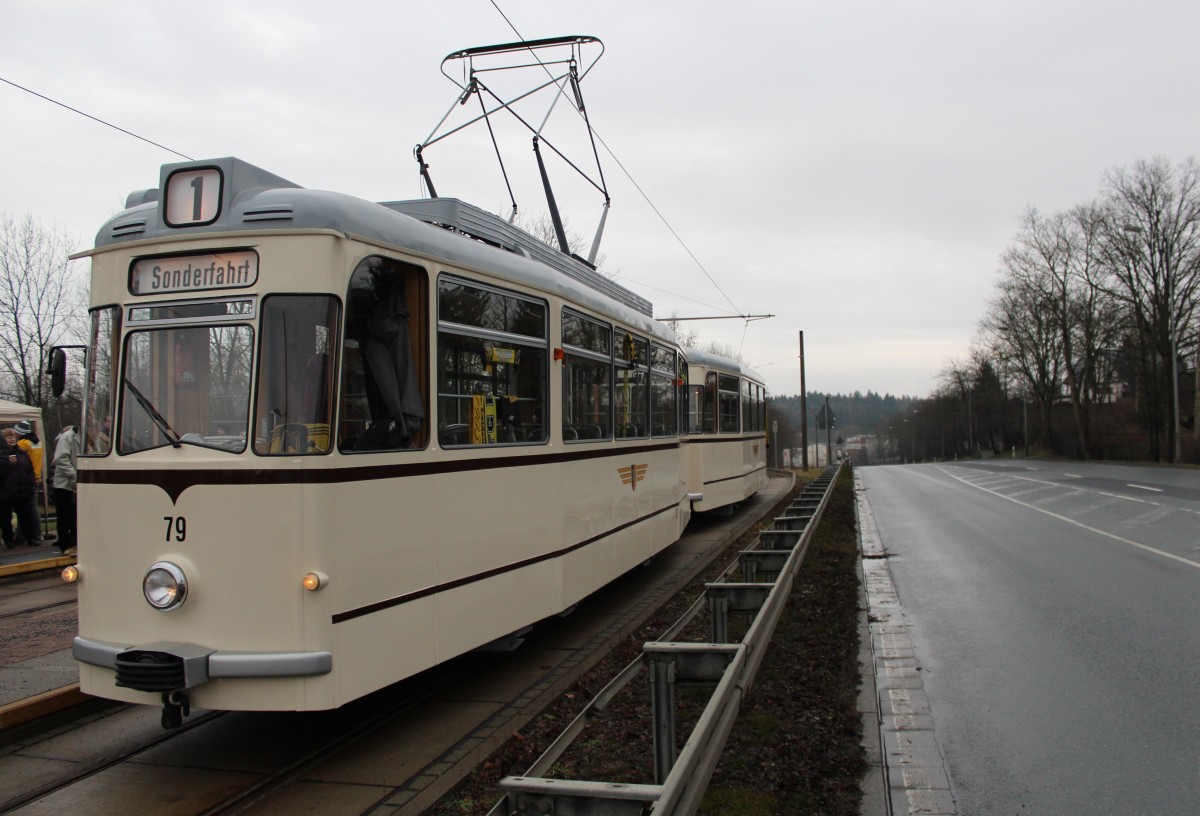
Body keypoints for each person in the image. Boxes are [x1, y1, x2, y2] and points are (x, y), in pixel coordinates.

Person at [0, 427, 39, 549]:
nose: (11, 439)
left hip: (22, 490)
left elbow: (29, 468)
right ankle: (9, 540)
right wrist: (6, 462)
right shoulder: (2, 455)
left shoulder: (22, 452)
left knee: (26, 516)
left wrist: (31, 482)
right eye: (8, 437)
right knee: (5, 519)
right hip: (5, 491)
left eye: (12, 436)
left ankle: (31, 538)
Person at [13, 421, 43, 543]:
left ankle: (33, 535)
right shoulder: (37, 442)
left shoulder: (22, 443)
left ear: (19, 432)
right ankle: (28, 534)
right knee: (30, 508)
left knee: (27, 508)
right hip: (37, 477)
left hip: (26, 478)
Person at [52, 424, 79, 556]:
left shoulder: (87, 437)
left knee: (75, 515)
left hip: (77, 485)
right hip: (64, 484)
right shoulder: (67, 437)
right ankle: (65, 545)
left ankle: (75, 543)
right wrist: (74, 476)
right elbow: (60, 459)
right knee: (64, 515)